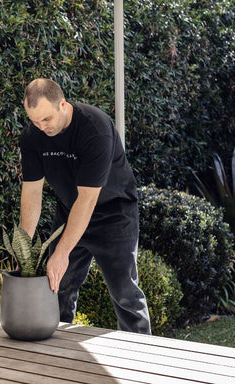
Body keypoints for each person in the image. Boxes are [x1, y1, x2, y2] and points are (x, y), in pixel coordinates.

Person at [19, 78, 151, 334]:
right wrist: (25, 245)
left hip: (114, 215)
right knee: (59, 288)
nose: (41, 127)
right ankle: (55, 357)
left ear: (63, 105)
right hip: (70, 212)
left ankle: (142, 357)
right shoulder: (33, 136)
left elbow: (88, 199)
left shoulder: (95, 128)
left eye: (46, 119)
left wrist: (61, 253)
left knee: (125, 294)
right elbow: (32, 193)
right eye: (34, 121)